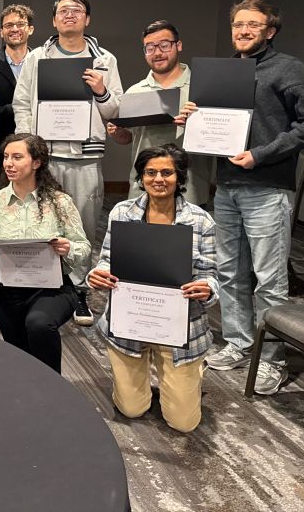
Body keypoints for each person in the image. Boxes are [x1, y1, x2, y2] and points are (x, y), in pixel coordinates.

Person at [179, 0, 304, 395]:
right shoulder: (226, 71)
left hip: (267, 188)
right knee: (229, 271)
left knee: (269, 279)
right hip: (226, 186)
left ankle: (271, 358)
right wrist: (192, 118)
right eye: (238, 24)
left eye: (253, 25)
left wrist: (260, 154)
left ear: (270, 31)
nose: (243, 31)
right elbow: (216, 124)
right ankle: (240, 343)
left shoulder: (289, 69)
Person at [87, 144, 218, 433]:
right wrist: (98, 275)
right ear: (141, 177)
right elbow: (106, 259)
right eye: (150, 172)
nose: (158, 179)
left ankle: (191, 370)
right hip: (129, 321)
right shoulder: (122, 212)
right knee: (132, 409)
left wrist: (206, 288)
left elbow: (210, 275)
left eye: (167, 172)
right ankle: (143, 368)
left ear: (180, 177)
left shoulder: (200, 220)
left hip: (180, 327)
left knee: (184, 423)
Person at [11, 0, 123, 326]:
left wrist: (102, 91)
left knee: (83, 227)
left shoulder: (105, 59)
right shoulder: (36, 58)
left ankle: (78, 292)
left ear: (87, 19)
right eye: (63, 11)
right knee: (40, 222)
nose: (69, 15)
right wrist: (30, 148)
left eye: (76, 11)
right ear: (54, 19)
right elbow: (22, 104)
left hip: (85, 159)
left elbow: (115, 110)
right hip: (44, 158)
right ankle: (43, 287)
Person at [0, 134, 91, 373]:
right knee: (20, 356)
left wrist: (68, 247)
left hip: (52, 289)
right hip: (8, 290)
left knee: (39, 324)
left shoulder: (60, 202)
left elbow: (84, 248)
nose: (8, 163)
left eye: (17, 157)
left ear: (36, 162)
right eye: (6, 157)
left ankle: (55, 389)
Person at [105, 21, 213, 206]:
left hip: (190, 189)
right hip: (143, 189)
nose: (157, 53)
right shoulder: (134, 92)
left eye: (164, 45)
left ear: (178, 45)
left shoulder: (202, 88)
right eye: (150, 47)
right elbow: (126, 139)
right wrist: (116, 132)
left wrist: (197, 124)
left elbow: (218, 138)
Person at [0, 4, 35, 212]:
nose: (14, 29)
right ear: (1, 32)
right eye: (9, 25)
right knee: (0, 204)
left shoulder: (42, 62)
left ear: (30, 29)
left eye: (20, 24)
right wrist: (18, 109)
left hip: (35, 143)